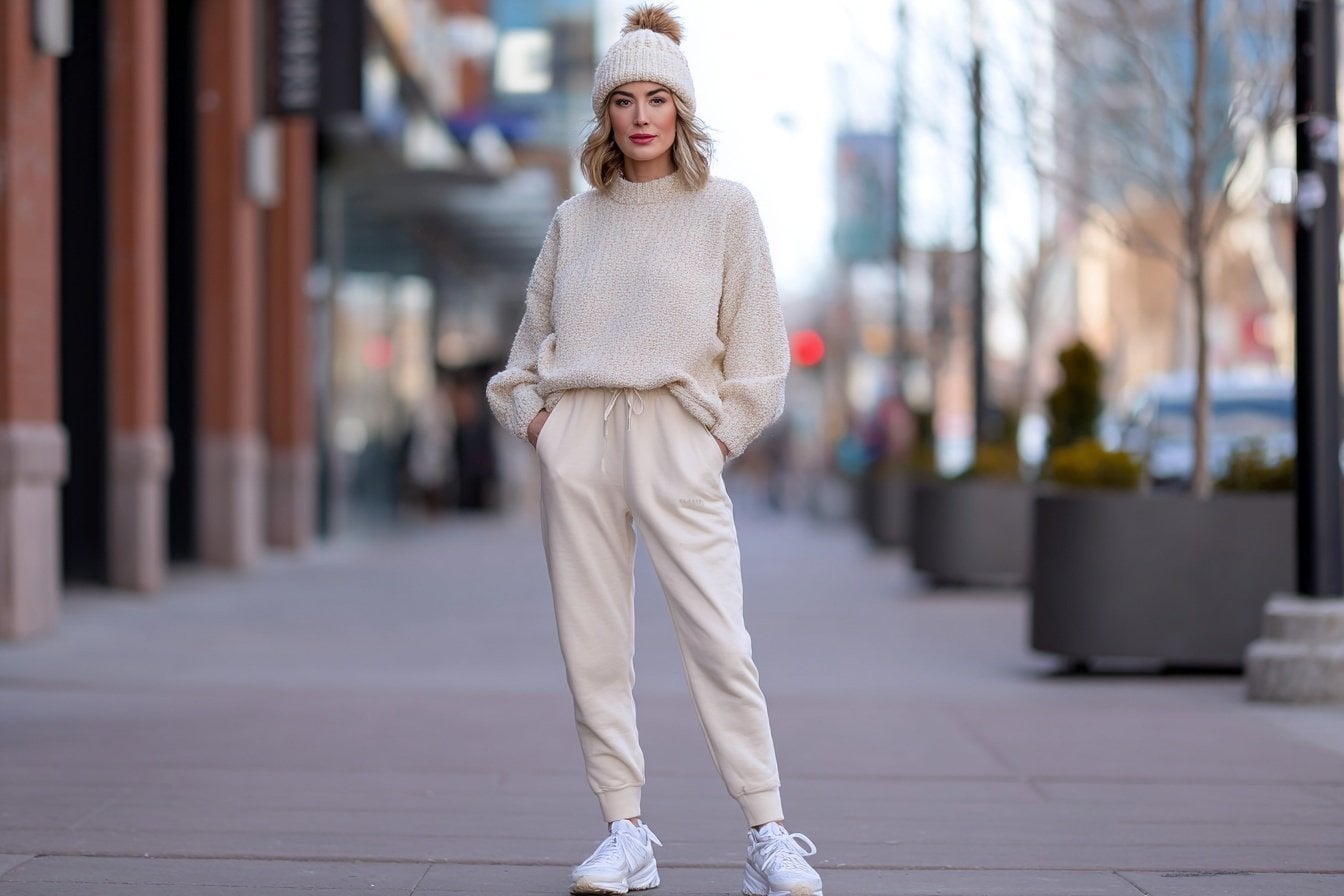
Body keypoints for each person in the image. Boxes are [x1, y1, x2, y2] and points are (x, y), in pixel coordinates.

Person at [486, 5, 824, 895]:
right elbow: (526, 353)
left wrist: (716, 439)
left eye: (658, 99)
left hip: (679, 438)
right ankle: (624, 830)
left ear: (682, 109)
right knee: (592, 643)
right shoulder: (575, 220)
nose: (641, 117)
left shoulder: (726, 210)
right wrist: (538, 424)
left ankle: (769, 831)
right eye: (624, 100)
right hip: (579, 437)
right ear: (604, 115)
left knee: (720, 639)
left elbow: (758, 355)